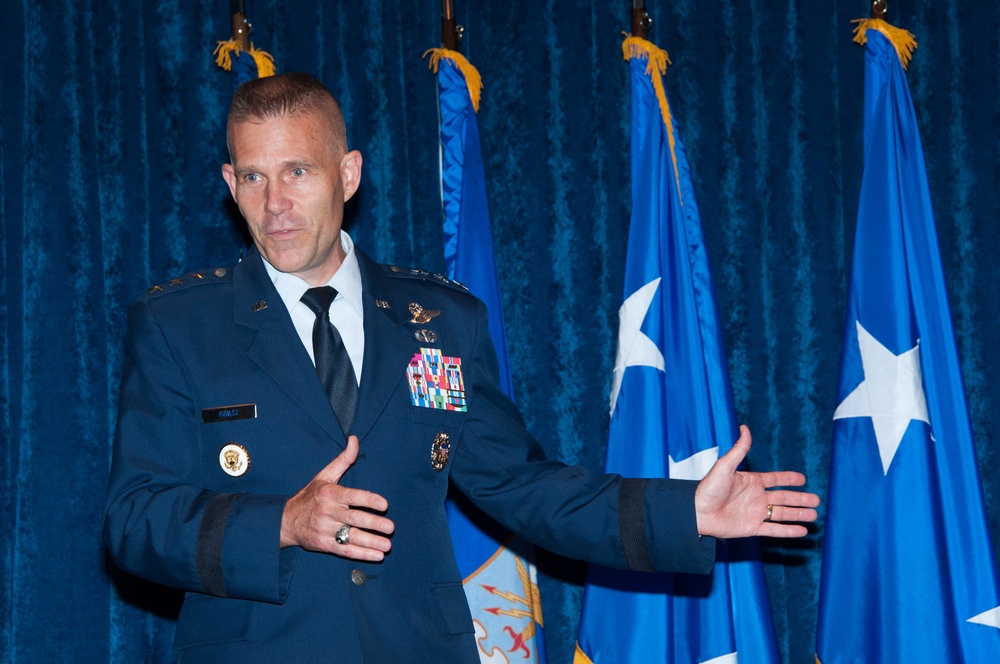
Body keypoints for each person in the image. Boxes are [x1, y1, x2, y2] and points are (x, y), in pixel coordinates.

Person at [103, 72, 819, 663]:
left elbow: (521, 486)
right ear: (230, 182)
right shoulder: (178, 328)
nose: (276, 205)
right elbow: (135, 521)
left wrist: (681, 510)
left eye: (298, 172)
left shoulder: (440, 321)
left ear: (347, 174)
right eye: (253, 177)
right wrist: (282, 523)